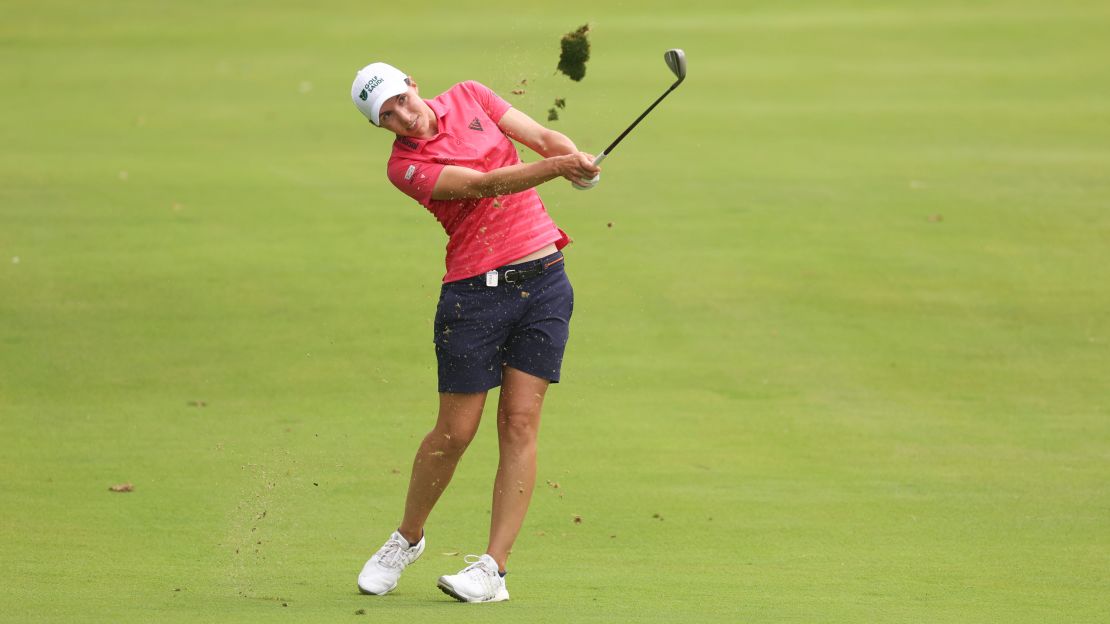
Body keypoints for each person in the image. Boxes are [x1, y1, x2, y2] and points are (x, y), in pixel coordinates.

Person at [349, 62, 601, 603]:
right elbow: (485, 186)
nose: (401, 116)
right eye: (385, 116)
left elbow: (538, 136)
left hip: (546, 284)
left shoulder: (470, 95)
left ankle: (494, 570)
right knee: (454, 433)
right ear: (382, 127)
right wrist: (559, 167)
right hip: (472, 297)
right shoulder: (405, 167)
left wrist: (573, 158)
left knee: (519, 422)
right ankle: (407, 537)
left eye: (399, 100)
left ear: (412, 84)